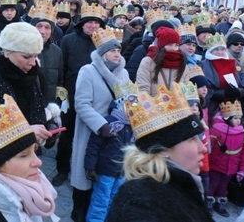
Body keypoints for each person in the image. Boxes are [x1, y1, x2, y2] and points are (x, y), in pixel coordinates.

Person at [106, 82, 212, 221]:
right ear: (163, 149)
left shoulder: (183, 185)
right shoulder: (141, 202)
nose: (203, 148)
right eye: (192, 139)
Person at [70, 26, 131, 222]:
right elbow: (81, 103)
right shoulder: (88, 70)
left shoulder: (124, 74)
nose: (116, 54)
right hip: (93, 131)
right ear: (103, 53)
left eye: (118, 50)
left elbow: (130, 100)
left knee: (109, 184)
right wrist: (101, 124)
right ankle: (79, 213)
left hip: (117, 136)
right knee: (86, 179)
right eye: (112, 50)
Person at [0, 22, 57, 146]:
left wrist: (50, 128)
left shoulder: (37, 76)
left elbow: (41, 110)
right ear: (7, 52)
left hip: (31, 153)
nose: (33, 63)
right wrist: (24, 131)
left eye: (35, 56)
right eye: (26, 57)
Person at [53, 2, 105, 188]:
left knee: (90, 139)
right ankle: (62, 170)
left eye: (96, 22)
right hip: (72, 95)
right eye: (89, 22)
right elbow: (63, 68)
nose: (93, 25)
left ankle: (85, 170)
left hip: (96, 100)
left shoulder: (104, 43)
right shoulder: (69, 40)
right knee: (66, 137)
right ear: (82, 23)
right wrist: (61, 93)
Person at [84, 81, 138, 222]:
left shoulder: (135, 127)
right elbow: (93, 146)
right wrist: (90, 167)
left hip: (122, 173)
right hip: (105, 172)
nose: (132, 109)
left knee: (115, 201)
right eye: (129, 105)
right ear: (122, 104)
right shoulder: (108, 123)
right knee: (100, 202)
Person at [208, 100, 244, 217]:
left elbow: (243, 153)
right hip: (215, 165)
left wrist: (242, 169)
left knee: (223, 186)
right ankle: (208, 202)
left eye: (239, 118)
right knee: (213, 183)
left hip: (231, 167)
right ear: (227, 118)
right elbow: (209, 147)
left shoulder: (241, 133)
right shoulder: (216, 130)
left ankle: (220, 203)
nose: (238, 121)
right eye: (235, 118)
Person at [200, 33, 244, 122]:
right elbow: (204, 89)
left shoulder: (235, 63)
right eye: (216, 50)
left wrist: (238, 92)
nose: (220, 52)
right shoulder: (203, 65)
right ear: (210, 51)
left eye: (222, 49)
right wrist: (223, 93)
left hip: (235, 107)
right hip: (213, 107)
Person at [136, 26, 191, 96]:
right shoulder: (148, 62)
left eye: (176, 45)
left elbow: (185, 90)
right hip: (154, 105)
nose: (174, 49)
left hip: (177, 105)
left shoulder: (183, 65)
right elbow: (143, 88)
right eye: (170, 45)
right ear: (162, 45)